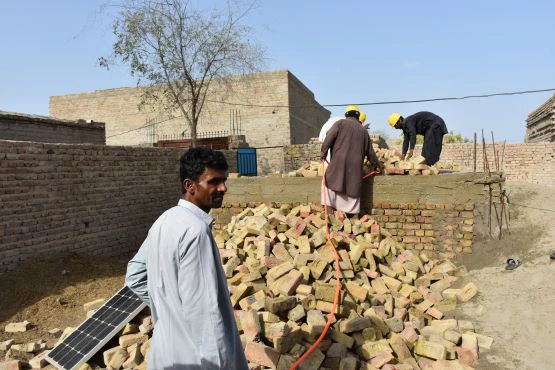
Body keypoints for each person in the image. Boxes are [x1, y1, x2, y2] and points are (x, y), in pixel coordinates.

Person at [125, 148, 248, 370]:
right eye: (214, 181)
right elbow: (207, 315)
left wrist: (170, 308)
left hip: (165, 355)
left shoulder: (164, 220)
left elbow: (134, 276)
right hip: (197, 361)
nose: (223, 188)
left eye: (224, 180)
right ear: (190, 185)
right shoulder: (195, 231)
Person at [320, 105, 379, 215]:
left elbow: (328, 138)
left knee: (329, 182)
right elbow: (370, 152)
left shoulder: (340, 123)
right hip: (355, 167)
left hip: (338, 162)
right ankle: (353, 217)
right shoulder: (364, 131)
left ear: (346, 115)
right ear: (358, 116)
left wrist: (323, 153)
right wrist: (376, 166)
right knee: (353, 186)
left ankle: (329, 213)